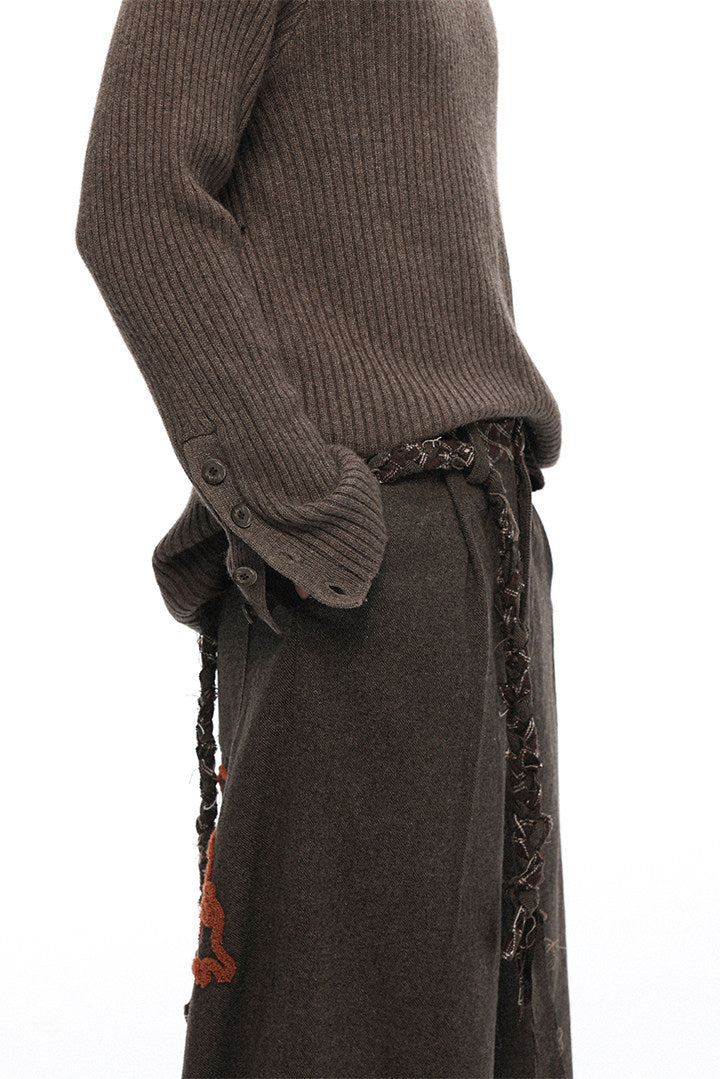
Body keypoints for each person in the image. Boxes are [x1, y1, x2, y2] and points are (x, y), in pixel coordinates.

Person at [75, 2, 573, 1076]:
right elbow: (134, 195)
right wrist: (299, 502)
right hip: (363, 565)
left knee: (489, 1040)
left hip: (479, 547)